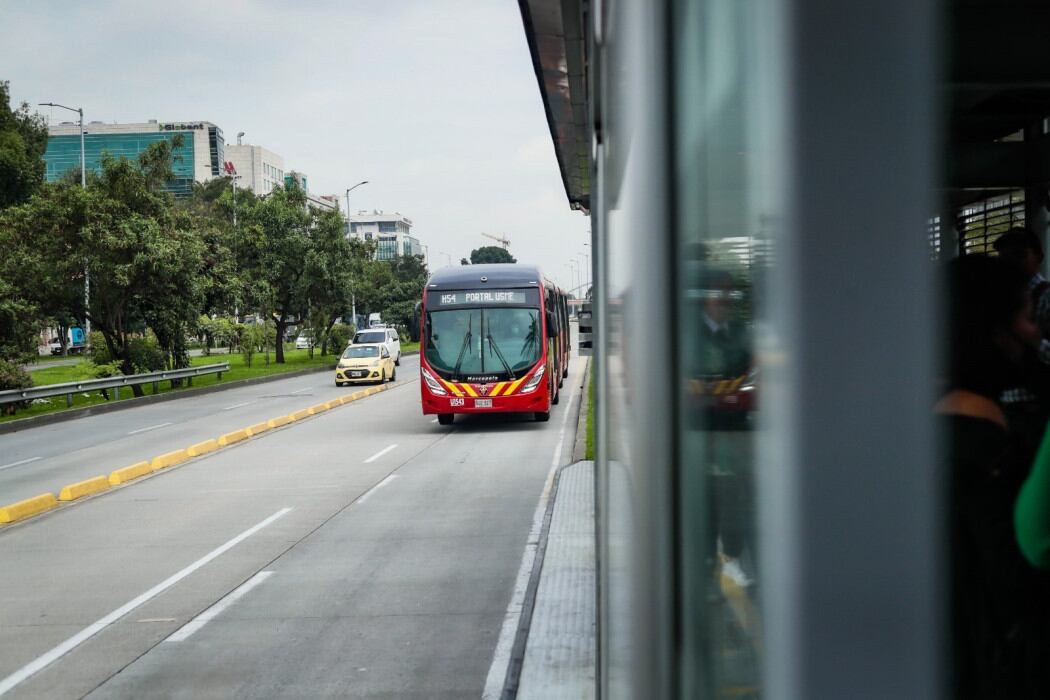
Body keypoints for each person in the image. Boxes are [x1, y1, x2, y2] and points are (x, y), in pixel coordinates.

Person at [938, 254, 1050, 699]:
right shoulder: (983, 431)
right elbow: (1019, 563)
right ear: (990, 326)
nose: (1035, 330)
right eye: (1025, 316)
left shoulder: (927, 417)